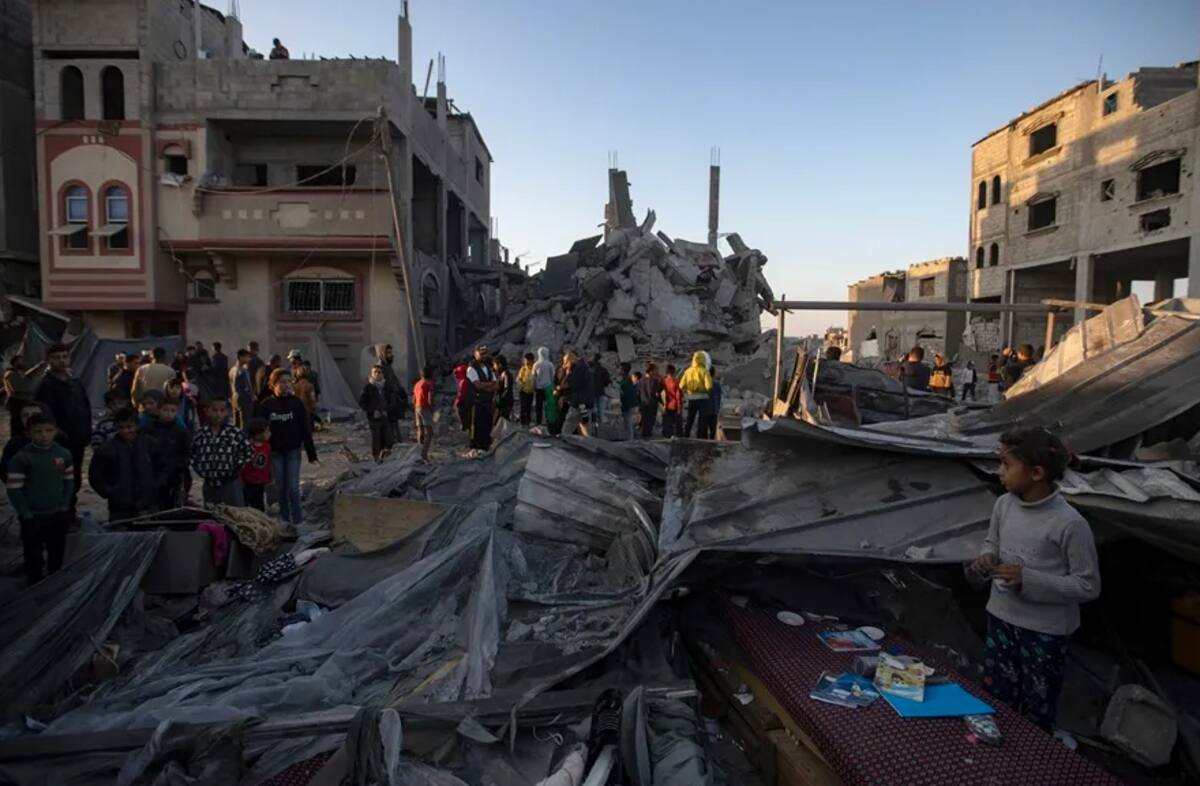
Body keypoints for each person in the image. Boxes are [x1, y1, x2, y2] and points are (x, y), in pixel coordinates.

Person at [968, 427, 1099, 732]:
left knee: (1036, 709)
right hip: (1001, 620)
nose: (999, 471)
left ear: (1037, 472)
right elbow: (992, 543)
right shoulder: (1004, 505)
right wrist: (987, 557)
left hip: (1044, 634)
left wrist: (1029, 580)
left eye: (1006, 465)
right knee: (995, 698)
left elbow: (1088, 585)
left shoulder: (1070, 525)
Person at [7, 413, 74, 584]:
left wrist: (65, 504)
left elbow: (68, 481)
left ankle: (54, 580)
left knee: (57, 550)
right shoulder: (21, 458)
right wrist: (25, 513)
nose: (44, 435)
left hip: (57, 512)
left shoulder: (63, 454)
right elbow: (14, 489)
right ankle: (35, 582)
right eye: (38, 431)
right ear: (29, 434)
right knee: (33, 553)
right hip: (33, 515)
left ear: (55, 431)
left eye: (48, 430)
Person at [35, 343, 91, 508]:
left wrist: (86, 432)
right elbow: (43, 415)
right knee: (59, 479)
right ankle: (61, 515)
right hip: (58, 443)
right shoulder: (45, 385)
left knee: (75, 479)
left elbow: (85, 408)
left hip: (77, 440)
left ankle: (70, 513)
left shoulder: (75, 383)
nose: (61, 361)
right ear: (48, 360)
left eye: (64, 356)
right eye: (56, 357)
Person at [259, 372, 317, 527]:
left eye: (288, 382)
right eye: (281, 382)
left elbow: (305, 428)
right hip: (275, 451)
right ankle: (284, 518)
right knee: (280, 487)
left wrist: (312, 453)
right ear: (273, 384)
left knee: (293, 486)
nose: (285, 385)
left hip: (293, 450)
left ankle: (298, 520)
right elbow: (258, 428)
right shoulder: (266, 405)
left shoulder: (296, 403)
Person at [89, 407, 156, 523]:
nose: (125, 431)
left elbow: (162, 467)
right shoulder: (106, 450)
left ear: (137, 426)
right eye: (121, 427)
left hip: (147, 504)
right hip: (119, 506)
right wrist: (110, 492)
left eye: (129, 427)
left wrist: (155, 486)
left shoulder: (150, 444)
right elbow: (95, 475)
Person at [191, 396, 252, 508]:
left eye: (222, 410)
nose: (218, 414)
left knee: (234, 515)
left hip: (230, 483)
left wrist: (236, 468)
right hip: (209, 483)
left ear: (228, 412)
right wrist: (200, 469)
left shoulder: (234, 432)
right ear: (207, 411)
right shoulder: (201, 433)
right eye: (214, 410)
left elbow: (247, 451)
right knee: (212, 515)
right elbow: (193, 453)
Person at [150, 397, 191, 510]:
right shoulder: (149, 430)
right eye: (165, 410)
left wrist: (181, 465)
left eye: (173, 411)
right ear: (158, 410)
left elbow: (187, 452)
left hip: (175, 475)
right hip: (154, 473)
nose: (169, 414)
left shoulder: (181, 432)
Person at [466, 345, 498, 451]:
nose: (483, 356)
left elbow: (495, 384)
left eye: (485, 353)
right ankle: (475, 446)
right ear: (475, 354)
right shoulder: (471, 368)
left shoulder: (489, 368)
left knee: (487, 424)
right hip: (477, 402)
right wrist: (489, 385)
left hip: (488, 401)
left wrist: (486, 386)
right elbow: (477, 385)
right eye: (481, 353)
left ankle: (485, 446)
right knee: (476, 425)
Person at [5, 354, 45, 437]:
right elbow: (22, 384)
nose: (23, 362)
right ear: (14, 363)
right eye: (20, 360)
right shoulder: (10, 373)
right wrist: (38, 367)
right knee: (18, 426)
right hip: (17, 402)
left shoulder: (22, 373)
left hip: (27, 401)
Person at [360, 365, 395, 461]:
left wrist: (386, 410)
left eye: (379, 372)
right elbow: (362, 403)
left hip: (385, 416)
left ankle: (385, 457)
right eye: (375, 372)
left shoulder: (387, 387)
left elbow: (392, 401)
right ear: (371, 374)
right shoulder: (368, 388)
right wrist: (373, 410)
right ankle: (376, 458)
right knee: (376, 438)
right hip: (373, 418)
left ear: (382, 374)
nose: (377, 374)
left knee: (388, 438)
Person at [557, 350, 592, 438]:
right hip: (585, 403)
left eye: (566, 363)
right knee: (584, 424)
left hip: (579, 403)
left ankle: (564, 443)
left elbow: (575, 384)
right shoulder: (584, 367)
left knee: (568, 426)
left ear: (571, 360)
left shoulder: (579, 369)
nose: (564, 366)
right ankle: (589, 444)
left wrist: (562, 386)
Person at [679, 352, 714, 438]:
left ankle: (686, 435)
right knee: (701, 420)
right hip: (703, 398)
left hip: (691, 398)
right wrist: (708, 393)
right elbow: (709, 386)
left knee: (690, 419)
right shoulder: (705, 371)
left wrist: (687, 392)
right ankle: (700, 437)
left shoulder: (688, 371)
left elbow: (681, 385)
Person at [241, 418, 271, 511]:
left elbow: (268, 464)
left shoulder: (267, 446)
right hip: (248, 481)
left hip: (260, 482)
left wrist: (269, 478)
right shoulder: (248, 447)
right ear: (258, 434)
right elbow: (243, 465)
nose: (269, 433)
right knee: (246, 504)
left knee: (259, 505)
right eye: (266, 431)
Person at [413, 366, 435, 461]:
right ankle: (424, 454)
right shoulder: (429, 384)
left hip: (417, 408)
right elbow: (430, 398)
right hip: (425, 408)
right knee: (429, 432)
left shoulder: (417, 384)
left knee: (420, 431)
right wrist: (432, 408)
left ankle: (418, 452)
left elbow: (413, 399)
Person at [230, 349, 255, 429]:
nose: (249, 359)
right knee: (245, 423)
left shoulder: (232, 370)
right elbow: (248, 386)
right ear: (241, 357)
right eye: (247, 357)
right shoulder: (243, 370)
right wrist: (252, 396)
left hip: (235, 398)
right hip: (244, 399)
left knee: (236, 423)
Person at [637, 362, 662, 438]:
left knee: (644, 421)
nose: (656, 372)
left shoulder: (641, 380)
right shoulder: (654, 381)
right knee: (650, 422)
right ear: (651, 371)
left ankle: (644, 436)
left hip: (643, 403)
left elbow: (638, 393)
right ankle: (648, 437)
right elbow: (657, 393)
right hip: (652, 404)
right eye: (655, 370)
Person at [532, 347, 554, 427]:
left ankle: (539, 422)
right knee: (548, 405)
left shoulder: (536, 364)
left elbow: (533, 377)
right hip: (548, 387)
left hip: (539, 388)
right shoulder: (550, 364)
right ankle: (549, 421)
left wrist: (534, 386)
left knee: (539, 406)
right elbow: (553, 376)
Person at [700, 363, 723, 440]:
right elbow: (719, 397)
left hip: (705, 410)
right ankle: (712, 445)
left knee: (704, 430)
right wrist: (718, 408)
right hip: (714, 410)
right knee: (713, 430)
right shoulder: (717, 384)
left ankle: (705, 446)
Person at [660, 364, 682, 438]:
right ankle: (676, 436)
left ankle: (666, 436)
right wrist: (679, 407)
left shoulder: (663, 381)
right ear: (673, 372)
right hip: (674, 405)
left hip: (665, 404)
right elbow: (678, 395)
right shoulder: (676, 382)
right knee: (676, 423)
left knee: (667, 422)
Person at [591, 354, 612, 428]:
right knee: (601, 411)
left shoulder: (590, 369)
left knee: (593, 410)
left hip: (591, 393)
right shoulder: (603, 370)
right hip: (600, 392)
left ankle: (594, 426)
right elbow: (607, 381)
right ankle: (601, 427)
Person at [619, 363, 638, 440]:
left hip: (627, 405)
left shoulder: (626, 382)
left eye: (620, 369)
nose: (619, 370)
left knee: (628, 423)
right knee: (627, 423)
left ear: (623, 371)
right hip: (627, 404)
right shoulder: (627, 380)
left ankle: (630, 440)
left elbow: (626, 394)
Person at [493, 355, 514, 423]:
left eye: (495, 364)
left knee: (502, 421)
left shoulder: (506, 374)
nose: (494, 367)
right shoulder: (501, 373)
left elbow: (507, 388)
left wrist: (501, 399)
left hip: (505, 402)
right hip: (503, 401)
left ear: (500, 365)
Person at [517, 353, 536, 427]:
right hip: (523, 390)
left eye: (527, 360)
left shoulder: (534, 368)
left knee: (528, 406)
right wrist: (520, 384)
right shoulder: (523, 368)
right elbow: (519, 378)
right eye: (525, 360)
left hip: (530, 391)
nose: (526, 362)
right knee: (523, 406)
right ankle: (522, 422)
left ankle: (528, 421)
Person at [452, 360, 470, 432]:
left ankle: (464, 425)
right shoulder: (464, 380)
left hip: (465, 401)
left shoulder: (463, 381)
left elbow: (461, 393)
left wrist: (457, 401)